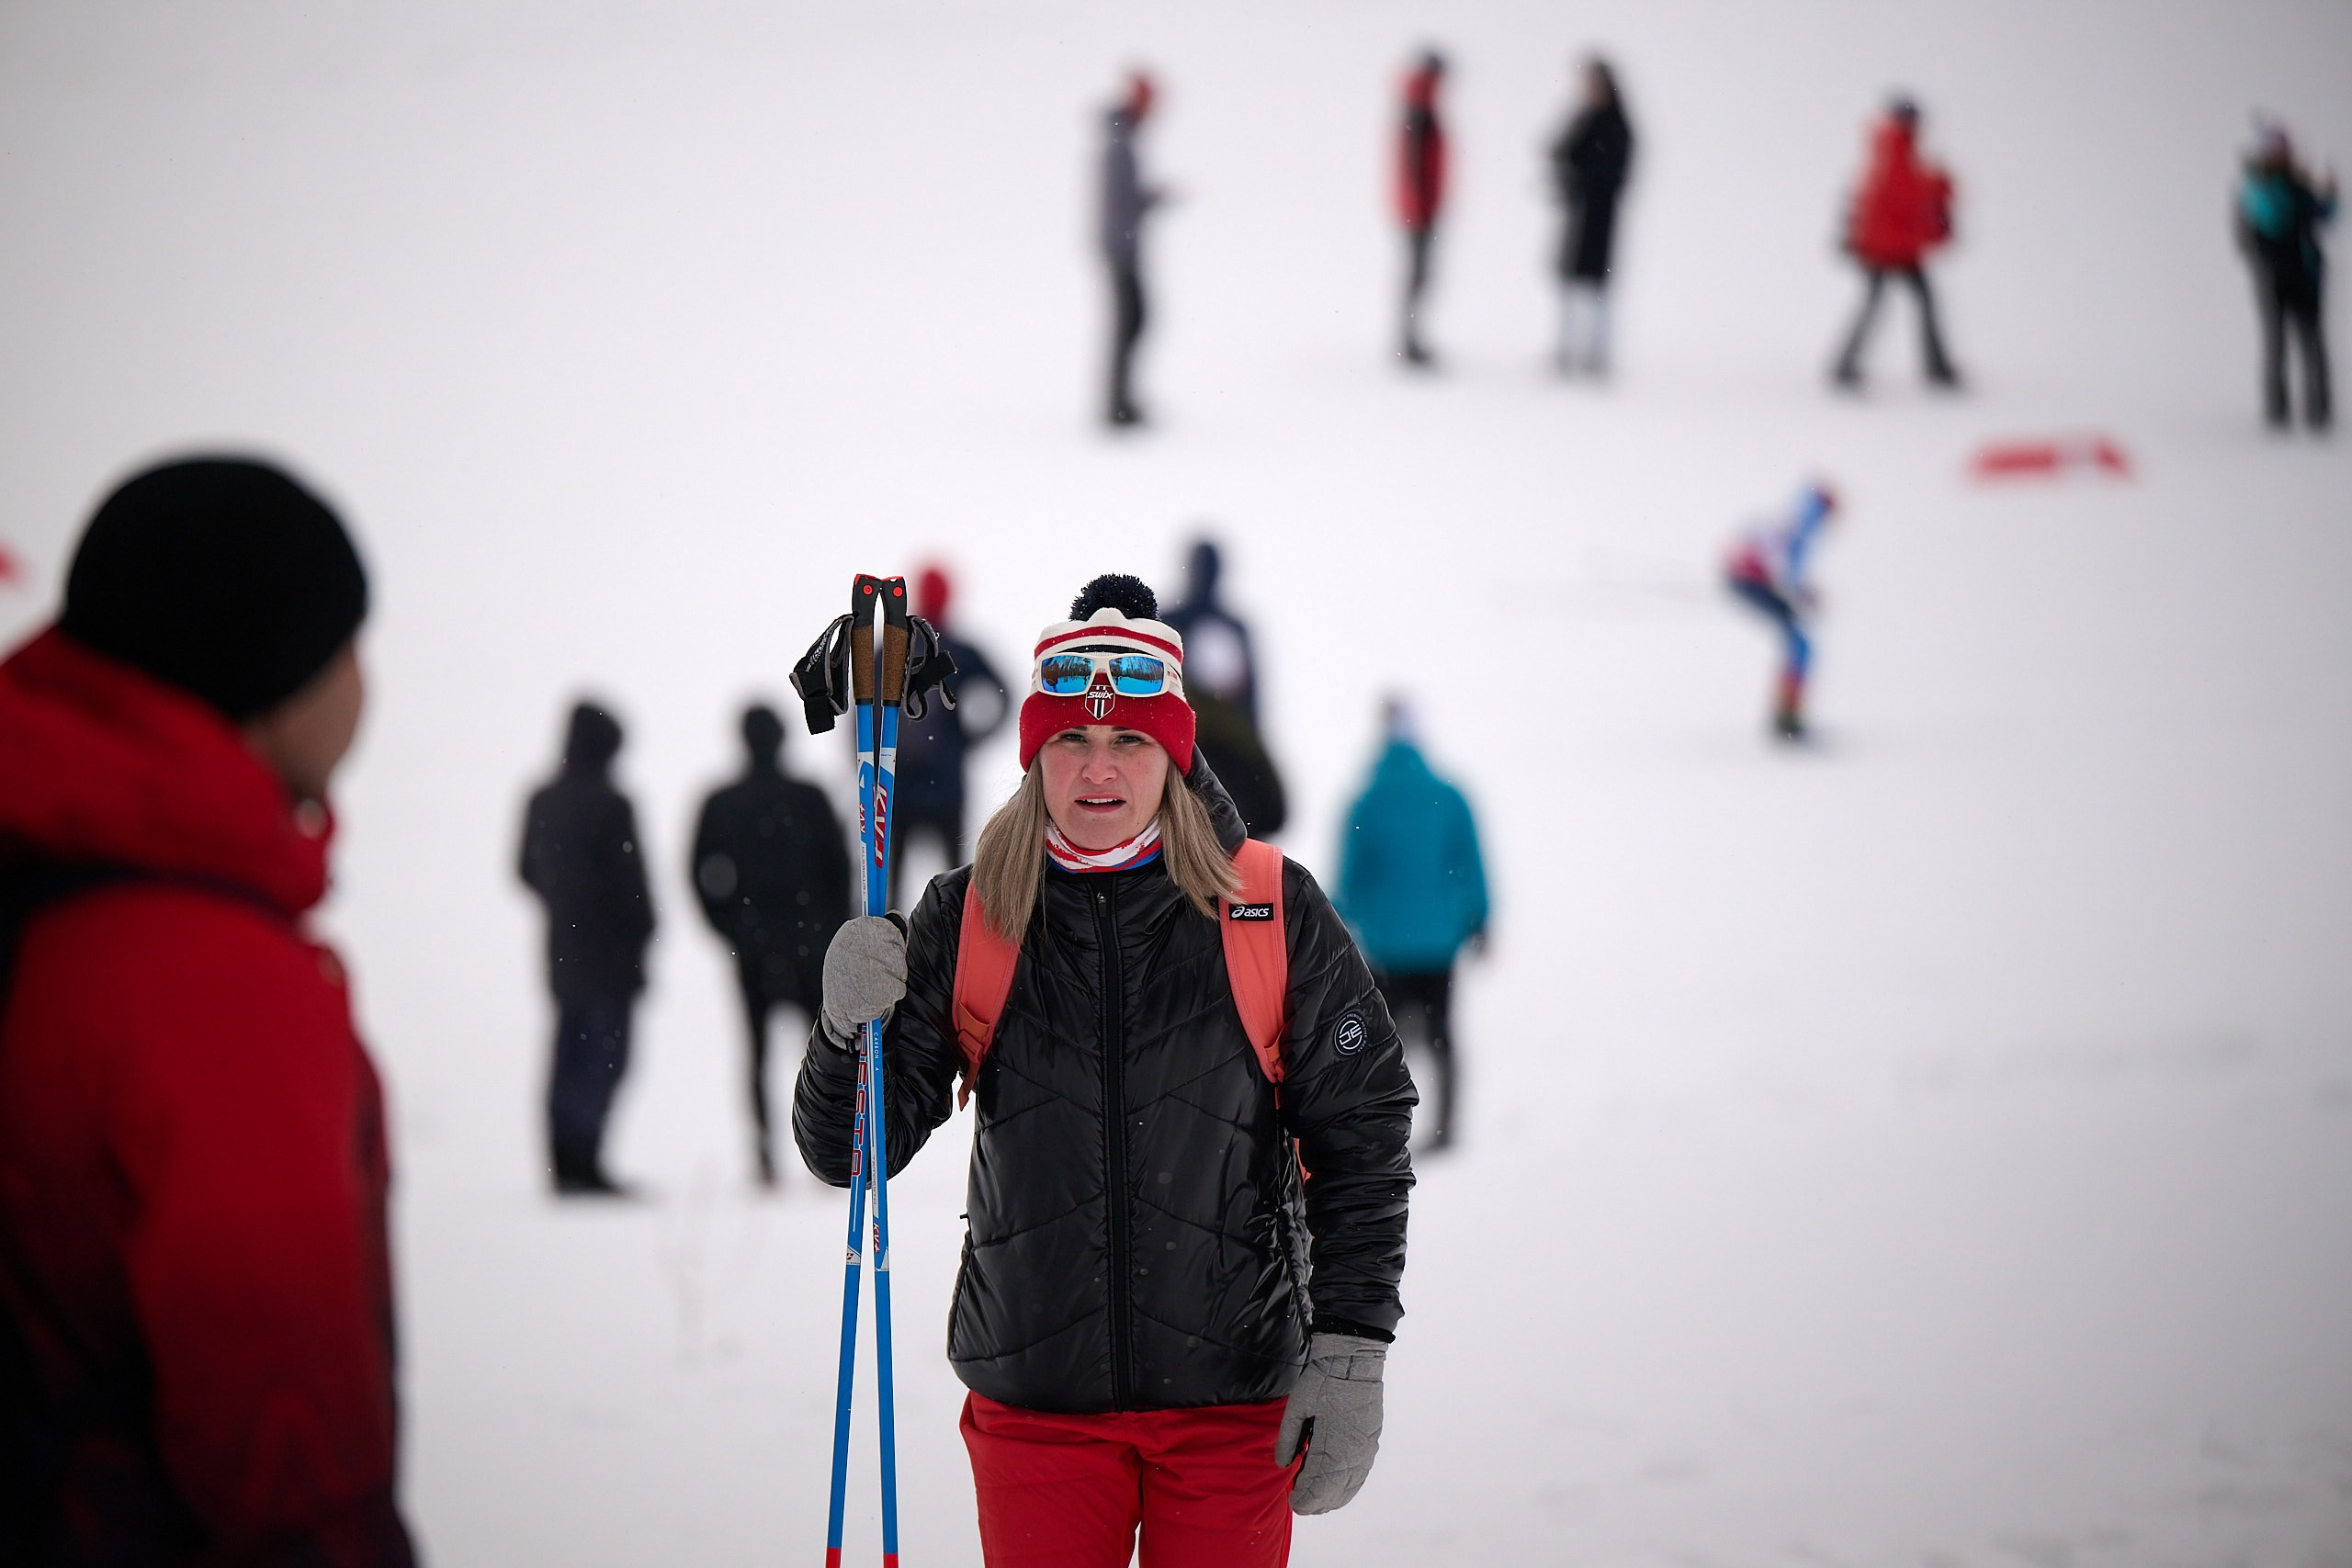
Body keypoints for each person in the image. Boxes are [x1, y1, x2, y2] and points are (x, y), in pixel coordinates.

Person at [793, 574, 1414, 1567]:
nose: (1097, 769)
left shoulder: (1266, 906)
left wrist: (1351, 1344)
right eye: (1070, 741)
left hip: (1231, 1406)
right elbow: (852, 1153)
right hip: (1037, 1408)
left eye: (1129, 739)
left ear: (1174, 755)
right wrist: (840, 1035)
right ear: (1034, 752)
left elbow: (1364, 1133)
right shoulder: (971, 914)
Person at [0, 457, 415, 1564]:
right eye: (346, 646)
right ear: (276, 679)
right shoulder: (203, 984)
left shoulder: (50, 878)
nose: (364, 683)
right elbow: (290, 1456)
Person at [691, 704, 851, 1187]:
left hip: (754, 946)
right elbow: (840, 869)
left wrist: (728, 927)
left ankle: (765, 1155)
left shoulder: (723, 801)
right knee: (822, 1049)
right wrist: (831, 930)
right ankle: (827, 1146)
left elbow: (699, 873)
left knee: (758, 1049)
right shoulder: (808, 797)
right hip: (807, 945)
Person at [1335, 700, 1488, 1152]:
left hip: (1385, 943)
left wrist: (1339, 925)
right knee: (1442, 1034)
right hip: (1440, 941)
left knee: (1385, 1041)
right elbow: (1471, 864)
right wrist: (1479, 918)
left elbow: (1351, 876)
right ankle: (1446, 1126)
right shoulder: (1450, 796)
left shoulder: (1367, 800)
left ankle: (1385, 1129)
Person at [520, 700, 656, 1195]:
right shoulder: (611, 804)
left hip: (565, 950)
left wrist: (565, 904)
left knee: (571, 1055)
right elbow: (632, 886)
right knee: (605, 1057)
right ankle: (585, 1161)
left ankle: (567, 1162)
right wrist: (641, 929)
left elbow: (525, 869)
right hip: (611, 955)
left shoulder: (543, 800)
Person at [891, 564, 1012, 908]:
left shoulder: (902, 649)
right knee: (953, 888)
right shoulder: (957, 651)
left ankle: (897, 935)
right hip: (928, 786)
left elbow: (862, 716)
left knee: (901, 886)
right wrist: (968, 739)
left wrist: (969, 739)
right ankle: (951, 936)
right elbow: (1002, 695)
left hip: (906, 785)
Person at [1830, 96, 1961, 390]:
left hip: (1894, 245)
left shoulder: (1895, 147)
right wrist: (1938, 184)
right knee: (1902, 304)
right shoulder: (1894, 147)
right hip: (1888, 247)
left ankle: (1848, 365)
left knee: (1887, 305)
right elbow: (1901, 193)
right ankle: (1935, 368)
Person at [1164, 537, 1285, 836]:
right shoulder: (1233, 627)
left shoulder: (1170, 623)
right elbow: (1253, 702)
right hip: (1232, 759)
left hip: (1185, 751)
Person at [2236, 121, 2335, 432]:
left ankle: (2319, 412)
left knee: (2312, 343)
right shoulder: (2258, 186)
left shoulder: (2294, 182)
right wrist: (2304, 200)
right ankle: (2278, 413)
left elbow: (2323, 214)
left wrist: (2327, 196)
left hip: (2306, 273)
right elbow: (2275, 220)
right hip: (2274, 276)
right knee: (2278, 344)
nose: (2281, 155)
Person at [1724, 482, 1839, 742]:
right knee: (1800, 645)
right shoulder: (1805, 520)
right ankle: (1788, 721)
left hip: (1746, 579)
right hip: (1755, 582)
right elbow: (1791, 565)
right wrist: (1804, 593)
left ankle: (1787, 719)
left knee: (1798, 643)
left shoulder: (1789, 513)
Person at [1548, 55, 1634, 375]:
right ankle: (1567, 348)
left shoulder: (1615, 124)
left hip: (1601, 216)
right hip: (1578, 214)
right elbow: (1560, 151)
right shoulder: (1585, 119)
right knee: (1570, 285)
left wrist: (1586, 179)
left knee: (1597, 288)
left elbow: (1616, 170)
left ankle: (1595, 352)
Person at [1101, 70, 1165, 428]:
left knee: (1133, 323)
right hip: (1121, 248)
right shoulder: (1120, 144)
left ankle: (1122, 401)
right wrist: (1150, 201)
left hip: (1121, 245)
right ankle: (1118, 405)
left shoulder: (1121, 139)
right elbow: (1121, 201)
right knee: (1132, 323)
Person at [1395, 49, 1449, 367]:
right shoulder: (1420, 107)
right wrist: (1418, 207)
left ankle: (1411, 339)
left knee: (1419, 276)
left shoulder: (1420, 103)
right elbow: (1413, 164)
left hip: (1421, 207)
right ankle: (1410, 342)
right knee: (1418, 277)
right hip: (1420, 210)